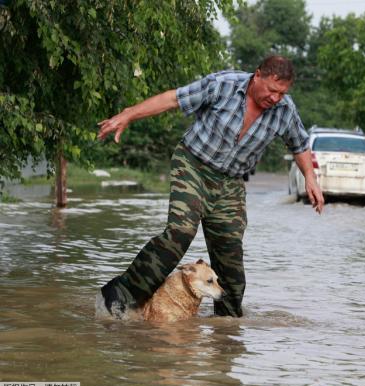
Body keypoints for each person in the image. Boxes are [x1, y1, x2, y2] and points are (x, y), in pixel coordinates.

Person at [97, 55, 324, 318]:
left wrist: (310, 175)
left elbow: (299, 143)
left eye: (281, 93)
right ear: (257, 75)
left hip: (230, 183)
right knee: (180, 232)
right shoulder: (223, 85)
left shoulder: (285, 110)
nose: (275, 98)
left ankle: (225, 329)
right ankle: (121, 296)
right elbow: (173, 99)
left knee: (231, 261)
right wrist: (128, 115)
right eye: (272, 90)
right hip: (193, 165)